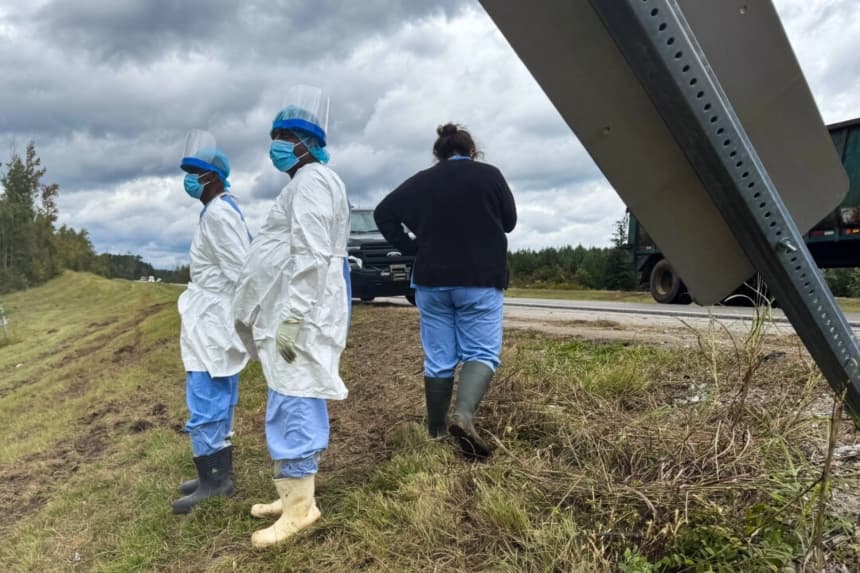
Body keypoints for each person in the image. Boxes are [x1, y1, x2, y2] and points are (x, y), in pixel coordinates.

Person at [233, 85, 351, 549]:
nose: (276, 145)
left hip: (303, 312)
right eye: (275, 136)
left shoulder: (313, 181)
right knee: (289, 394)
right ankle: (293, 494)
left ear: (307, 142)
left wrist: (295, 316)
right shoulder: (305, 182)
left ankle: (302, 509)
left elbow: (311, 253)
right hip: (294, 308)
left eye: (285, 137)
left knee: (295, 397)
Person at [374, 123, 517, 459]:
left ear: (438, 154)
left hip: (431, 280)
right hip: (480, 277)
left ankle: (437, 433)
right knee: (481, 353)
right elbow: (509, 222)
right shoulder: (490, 175)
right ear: (471, 151)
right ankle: (463, 416)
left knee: (439, 360)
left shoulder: (421, 181)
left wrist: (410, 247)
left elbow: (383, 213)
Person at [172, 130, 252, 514]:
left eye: (195, 173)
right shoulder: (217, 212)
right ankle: (215, 470)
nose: (189, 180)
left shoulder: (219, 215)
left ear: (213, 177)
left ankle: (214, 480)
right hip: (211, 315)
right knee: (216, 390)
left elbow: (241, 270)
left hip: (212, 319)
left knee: (205, 393)